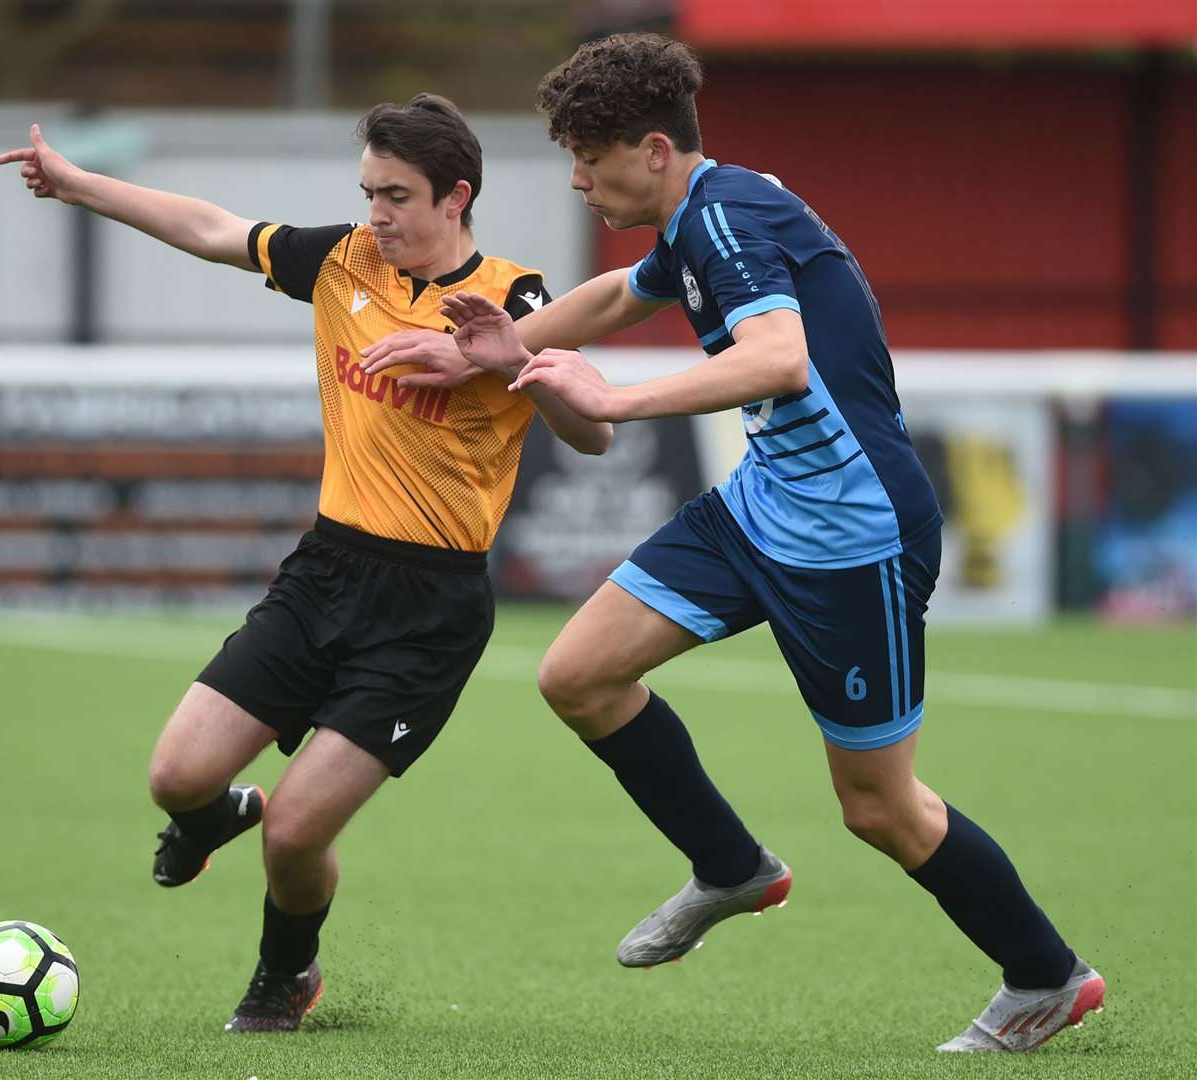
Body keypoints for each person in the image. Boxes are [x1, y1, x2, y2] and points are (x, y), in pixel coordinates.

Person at [361, 34, 1105, 1054]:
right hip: (761, 506)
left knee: (880, 809)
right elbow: (624, 297)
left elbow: (780, 358)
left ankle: (1047, 977)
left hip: (854, 536)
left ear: (654, 149)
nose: (577, 178)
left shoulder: (733, 219)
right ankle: (731, 866)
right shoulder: (701, 211)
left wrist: (612, 394)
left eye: (590, 156)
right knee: (578, 673)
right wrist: (496, 347)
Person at [0, 95, 611, 1033]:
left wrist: (511, 360)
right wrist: (79, 186)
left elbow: (594, 433)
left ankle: (285, 976)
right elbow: (209, 228)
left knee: (293, 831)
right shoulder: (341, 260)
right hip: (323, 572)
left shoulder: (517, 297)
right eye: (367, 192)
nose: (375, 215)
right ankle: (209, 820)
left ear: (457, 197)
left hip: (428, 612)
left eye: (395, 196)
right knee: (175, 777)